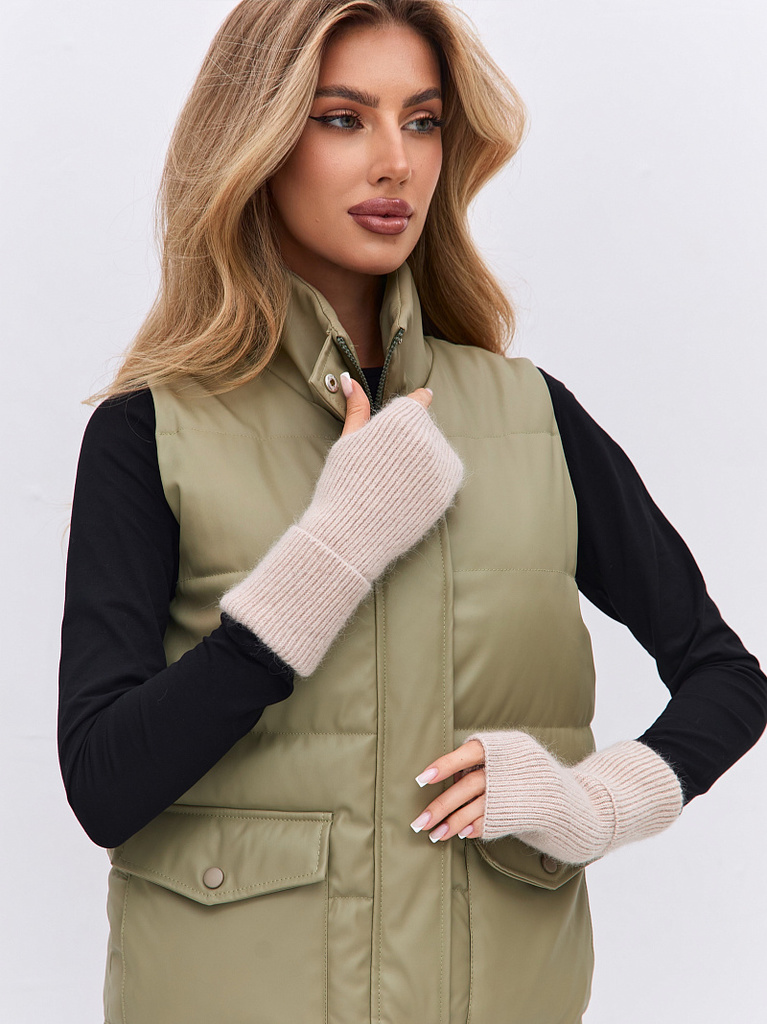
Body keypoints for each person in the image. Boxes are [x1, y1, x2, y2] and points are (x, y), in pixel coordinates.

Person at [57, 1, 767, 1022]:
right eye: (343, 118)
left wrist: (591, 801)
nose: (395, 162)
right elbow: (103, 783)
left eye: (422, 121)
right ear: (258, 139)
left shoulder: (529, 417)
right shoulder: (152, 431)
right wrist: (335, 546)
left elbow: (724, 677)